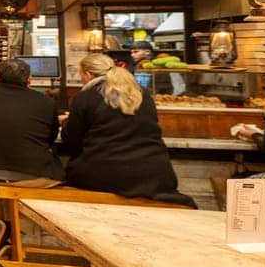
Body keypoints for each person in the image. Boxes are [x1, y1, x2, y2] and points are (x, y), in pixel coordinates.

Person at [0, 59, 63, 265]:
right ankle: (21, 235)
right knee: (57, 181)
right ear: (29, 80)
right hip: (32, 175)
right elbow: (51, 136)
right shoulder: (45, 102)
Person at [60, 51, 179, 199]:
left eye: (81, 75)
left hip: (104, 177)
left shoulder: (84, 98)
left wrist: (67, 121)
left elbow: (72, 141)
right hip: (156, 175)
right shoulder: (143, 94)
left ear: (88, 74)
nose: (81, 79)